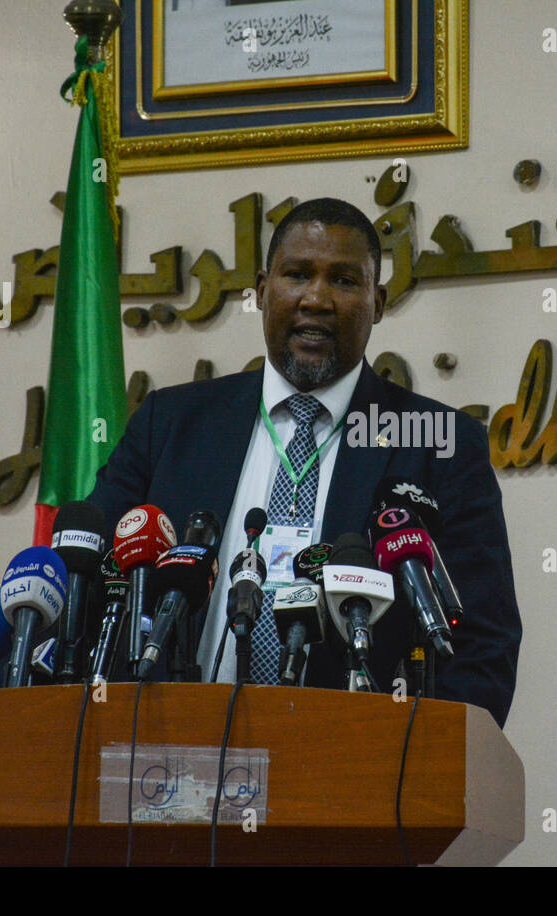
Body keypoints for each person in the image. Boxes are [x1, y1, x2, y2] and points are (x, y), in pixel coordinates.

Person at [86, 197, 521, 727]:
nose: (316, 299)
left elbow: (482, 643)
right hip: (168, 757)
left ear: (378, 302)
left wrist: (424, 768)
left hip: (357, 769)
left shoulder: (440, 443)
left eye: (343, 281)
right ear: (263, 291)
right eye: (297, 275)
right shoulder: (170, 425)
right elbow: (85, 580)